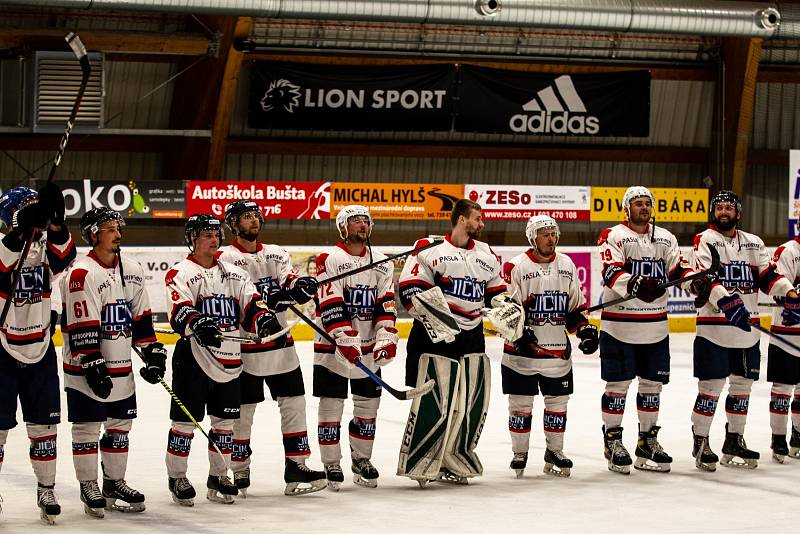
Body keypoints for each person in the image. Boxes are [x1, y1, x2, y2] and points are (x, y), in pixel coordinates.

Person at [163, 213, 283, 505]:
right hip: (194, 357)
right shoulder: (179, 272)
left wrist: (264, 319)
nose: (214, 239)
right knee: (185, 423)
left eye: (216, 234)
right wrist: (197, 322)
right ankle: (177, 476)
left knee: (225, 423)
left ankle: (218, 476)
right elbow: (179, 307)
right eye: (206, 234)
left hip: (230, 358)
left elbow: (251, 303)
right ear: (192, 239)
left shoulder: (235, 273)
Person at [60, 207, 166, 517]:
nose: (117, 233)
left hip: (122, 368)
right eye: (109, 228)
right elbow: (81, 326)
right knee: (87, 428)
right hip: (85, 368)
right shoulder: (81, 273)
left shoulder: (131, 268)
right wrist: (92, 362)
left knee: (120, 427)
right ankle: (88, 484)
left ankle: (114, 481)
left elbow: (141, 319)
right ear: (93, 234)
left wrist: (152, 352)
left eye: (118, 227)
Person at [597, 186, 710, 474]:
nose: (643, 208)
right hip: (620, 326)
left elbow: (678, 270)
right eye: (637, 203)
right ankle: (613, 441)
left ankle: (647, 441)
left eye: (647, 203)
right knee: (617, 387)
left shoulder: (666, 238)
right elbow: (611, 271)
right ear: (626, 208)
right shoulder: (614, 235)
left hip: (656, 327)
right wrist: (635, 283)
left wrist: (694, 282)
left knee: (652, 387)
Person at [217, 200, 326, 496]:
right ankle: (239, 468)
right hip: (246, 348)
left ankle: (297, 464)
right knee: (243, 410)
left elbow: (289, 282)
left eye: (255, 215)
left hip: (281, 344)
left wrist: (299, 287)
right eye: (246, 217)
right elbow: (235, 299)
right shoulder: (224, 258)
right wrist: (271, 299)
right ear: (233, 224)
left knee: (294, 403)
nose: (253, 220)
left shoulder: (276, 253)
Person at [397, 198, 507, 486]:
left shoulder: (485, 253)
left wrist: (507, 310)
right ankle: (421, 459)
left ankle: (455, 455)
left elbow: (497, 292)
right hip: (435, 336)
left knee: (468, 400)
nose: (482, 224)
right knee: (436, 401)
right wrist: (440, 323)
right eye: (478, 218)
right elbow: (410, 288)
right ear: (462, 219)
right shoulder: (429, 248)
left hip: (472, 335)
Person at [691, 190, 799, 470]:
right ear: (713, 213)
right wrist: (726, 301)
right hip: (713, 330)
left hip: (747, 330)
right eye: (720, 208)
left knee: (742, 387)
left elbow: (768, 276)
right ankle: (701, 440)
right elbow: (706, 278)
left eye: (729, 207)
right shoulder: (705, 240)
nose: (724, 212)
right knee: (711, 388)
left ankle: (734, 438)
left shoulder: (754, 243)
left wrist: (789, 293)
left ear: (738, 213)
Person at [0, 184, 75, 524]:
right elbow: (3, 268)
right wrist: (18, 233)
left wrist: (57, 224)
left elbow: (64, 258)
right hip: (1, 348)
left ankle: (46, 487)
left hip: (40, 346)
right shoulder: (5, 243)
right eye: (29, 207)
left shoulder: (43, 246)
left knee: (44, 425)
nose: (36, 212)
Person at [501, 215, 598, 478]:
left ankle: (554, 451)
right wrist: (519, 334)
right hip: (521, 356)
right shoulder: (516, 266)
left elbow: (574, 309)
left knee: (558, 405)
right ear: (532, 237)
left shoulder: (566, 264)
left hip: (557, 355)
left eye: (553, 233)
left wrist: (584, 330)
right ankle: (519, 453)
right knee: (520, 406)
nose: (551, 238)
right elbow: (506, 312)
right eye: (544, 233)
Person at [313, 204, 398, 490]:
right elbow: (330, 301)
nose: (362, 225)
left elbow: (386, 302)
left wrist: (386, 333)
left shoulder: (383, 261)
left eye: (366, 221)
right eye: (355, 221)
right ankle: (331, 462)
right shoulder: (330, 258)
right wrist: (343, 336)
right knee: (331, 408)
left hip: (368, 348)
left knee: (368, 407)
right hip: (332, 348)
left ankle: (361, 459)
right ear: (343, 228)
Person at [767, 234, 800, 462]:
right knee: (782, 388)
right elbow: (778, 289)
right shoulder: (788, 251)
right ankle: (778, 437)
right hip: (785, 333)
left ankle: (797, 435)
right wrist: (790, 300)